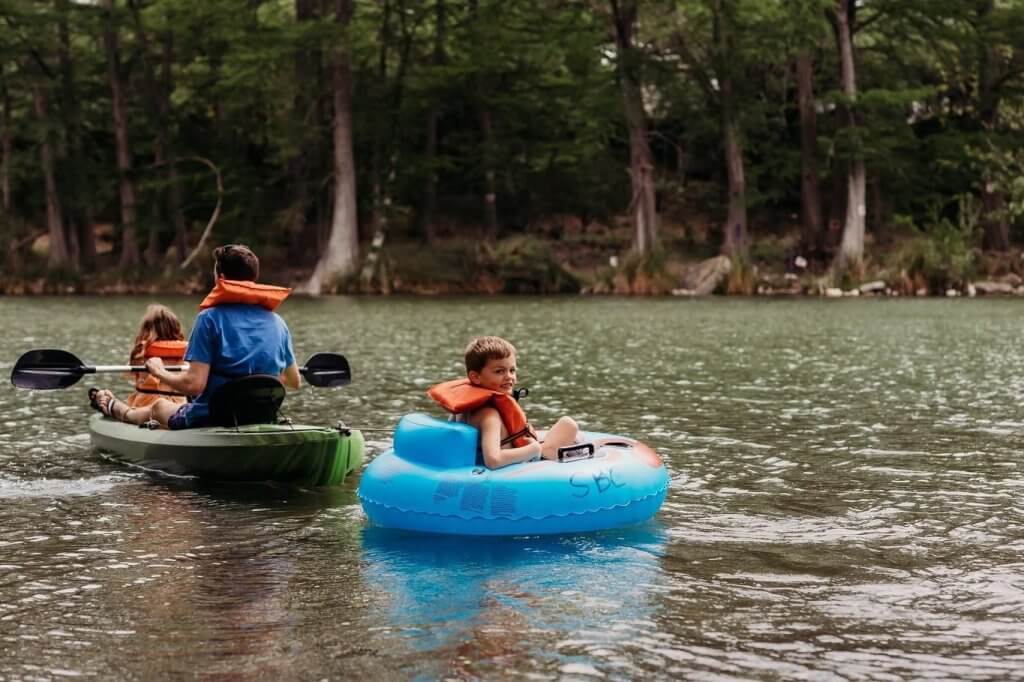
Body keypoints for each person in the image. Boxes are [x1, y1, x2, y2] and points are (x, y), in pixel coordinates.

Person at [91, 244, 300, 429]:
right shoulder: (278, 323)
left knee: (158, 406)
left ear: (221, 278)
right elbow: (293, 380)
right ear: (253, 279)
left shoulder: (209, 318)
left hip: (211, 417)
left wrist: (159, 371)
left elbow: (194, 385)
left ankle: (114, 407)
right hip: (260, 416)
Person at [428, 336, 579, 469]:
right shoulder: (489, 415)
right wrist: (533, 449)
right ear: (475, 377)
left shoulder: (463, 408)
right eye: (499, 371)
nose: (509, 377)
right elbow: (493, 460)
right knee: (568, 425)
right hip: (524, 465)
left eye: (512, 370)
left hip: (507, 456)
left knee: (565, 429)